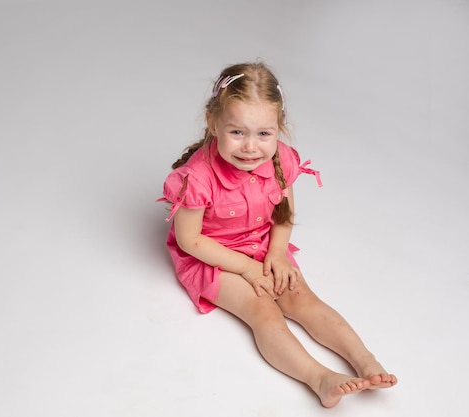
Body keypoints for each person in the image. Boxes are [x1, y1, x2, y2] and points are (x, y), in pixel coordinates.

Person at [159, 62, 397, 408]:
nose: (250, 147)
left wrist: (275, 254)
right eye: (237, 132)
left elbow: (283, 215)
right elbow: (190, 241)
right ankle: (320, 378)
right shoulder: (195, 178)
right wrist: (247, 268)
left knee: (304, 300)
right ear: (213, 123)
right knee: (263, 311)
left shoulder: (280, 160)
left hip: (264, 246)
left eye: (263, 134)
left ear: (278, 128)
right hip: (213, 257)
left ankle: (365, 360)